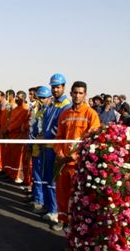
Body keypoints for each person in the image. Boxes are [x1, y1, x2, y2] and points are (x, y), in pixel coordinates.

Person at [53, 81, 100, 232]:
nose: (78, 95)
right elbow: (59, 137)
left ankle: (74, 225)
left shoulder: (91, 114)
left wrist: (73, 157)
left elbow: (92, 141)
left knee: (77, 197)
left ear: (85, 94)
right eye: (75, 92)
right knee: (61, 193)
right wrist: (60, 154)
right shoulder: (64, 114)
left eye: (81, 93)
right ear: (71, 93)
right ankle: (62, 220)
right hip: (63, 163)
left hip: (80, 165)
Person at [40, 73, 72, 225]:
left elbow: (58, 127)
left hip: (55, 146)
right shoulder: (53, 104)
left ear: (64, 87)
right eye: (53, 87)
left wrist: (46, 137)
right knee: (46, 178)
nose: (55, 90)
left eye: (57, 87)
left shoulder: (66, 105)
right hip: (46, 146)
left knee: (53, 181)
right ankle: (48, 206)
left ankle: (54, 211)